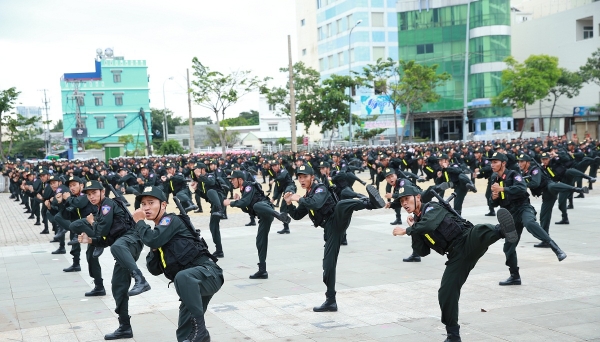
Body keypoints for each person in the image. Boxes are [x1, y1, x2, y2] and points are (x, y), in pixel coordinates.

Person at [392, 185, 518, 342]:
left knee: (478, 230)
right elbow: (422, 251)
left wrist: (406, 230)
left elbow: (430, 224)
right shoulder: (417, 224)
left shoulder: (432, 207)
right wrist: (414, 230)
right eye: (402, 201)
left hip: (465, 239)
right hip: (456, 257)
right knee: (446, 292)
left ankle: (502, 230)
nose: (404, 203)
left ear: (418, 197)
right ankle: (453, 335)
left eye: (407, 199)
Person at [284, 165, 386, 312]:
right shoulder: (307, 196)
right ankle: (331, 301)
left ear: (312, 177)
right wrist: (289, 204)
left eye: (305, 176)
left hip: (336, 220)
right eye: (300, 177)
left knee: (342, 205)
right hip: (330, 230)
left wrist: (298, 198)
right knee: (328, 266)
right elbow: (297, 215)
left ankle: (371, 203)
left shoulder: (320, 189)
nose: (302, 180)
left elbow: (316, 203)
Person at [133, 186, 224, 342]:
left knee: (182, 278)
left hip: (208, 274)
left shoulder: (170, 220)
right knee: (184, 333)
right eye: (143, 204)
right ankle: (201, 335)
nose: (146, 207)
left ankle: (201, 331)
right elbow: (154, 269)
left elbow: (152, 239)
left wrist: (140, 222)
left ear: (163, 205)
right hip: (190, 283)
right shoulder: (158, 232)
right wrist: (154, 248)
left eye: (151, 202)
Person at [74, 180, 151, 340]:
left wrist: (91, 222)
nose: (91, 197)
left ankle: (140, 279)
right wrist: (91, 241)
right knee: (118, 286)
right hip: (122, 245)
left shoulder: (107, 205)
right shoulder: (101, 209)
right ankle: (125, 327)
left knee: (117, 247)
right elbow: (107, 239)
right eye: (88, 194)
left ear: (102, 192)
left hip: (131, 239)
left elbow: (101, 229)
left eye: (94, 193)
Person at [487, 152, 567, 287]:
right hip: (510, 214)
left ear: (503, 163)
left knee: (530, 223)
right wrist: (494, 198)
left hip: (523, 208)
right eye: (491, 162)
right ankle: (514, 276)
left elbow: (521, 188)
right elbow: (493, 202)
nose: (492, 164)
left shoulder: (514, 174)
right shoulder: (494, 178)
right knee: (508, 246)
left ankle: (555, 248)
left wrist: (503, 188)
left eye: (495, 162)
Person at [223, 170, 291, 279]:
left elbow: (246, 203)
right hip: (264, 216)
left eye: (233, 179)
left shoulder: (249, 186)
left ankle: (279, 215)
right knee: (260, 241)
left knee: (257, 205)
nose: (231, 181)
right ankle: (262, 271)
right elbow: (246, 207)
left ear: (240, 180)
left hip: (267, 209)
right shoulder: (243, 191)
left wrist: (230, 203)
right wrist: (239, 201)